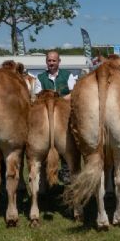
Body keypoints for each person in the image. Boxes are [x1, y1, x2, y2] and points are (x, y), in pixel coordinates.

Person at [34, 51, 76, 184]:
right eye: (49, 61)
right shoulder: (40, 78)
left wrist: (59, 102)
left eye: (54, 61)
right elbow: (37, 97)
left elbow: (73, 93)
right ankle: (45, 176)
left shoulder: (68, 75)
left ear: (59, 62)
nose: (51, 63)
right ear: (46, 62)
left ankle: (66, 170)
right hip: (46, 115)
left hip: (64, 115)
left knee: (67, 142)